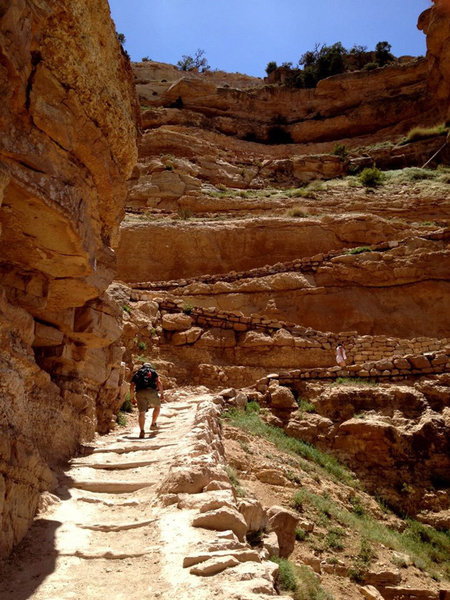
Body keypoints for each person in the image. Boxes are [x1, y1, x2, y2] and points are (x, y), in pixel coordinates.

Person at [129, 363, 164, 439]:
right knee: (157, 407)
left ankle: (142, 430)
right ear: (150, 366)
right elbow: (159, 382)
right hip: (151, 391)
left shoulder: (137, 373)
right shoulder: (153, 372)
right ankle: (153, 424)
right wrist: (162, 394)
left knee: (142, 412)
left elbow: (131, 386)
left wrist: (132, 398)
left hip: (140, 392)